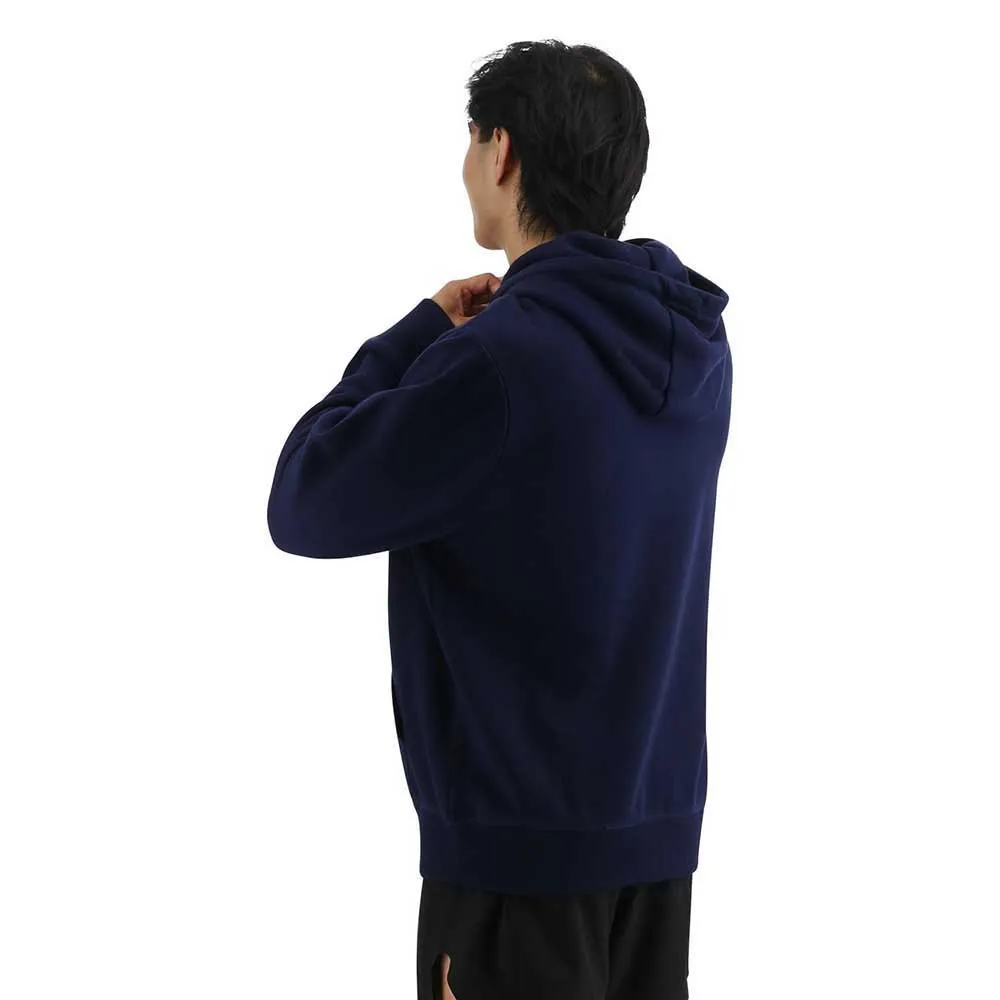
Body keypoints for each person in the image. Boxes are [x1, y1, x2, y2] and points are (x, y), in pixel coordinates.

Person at [267, 38, 731, 1000]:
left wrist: (417, 333)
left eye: (472, 139)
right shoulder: (696, 346)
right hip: (655, 853)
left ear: (503, 151)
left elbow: (304, 498)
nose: (467, 164)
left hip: (518, 872)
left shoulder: (494, 365)